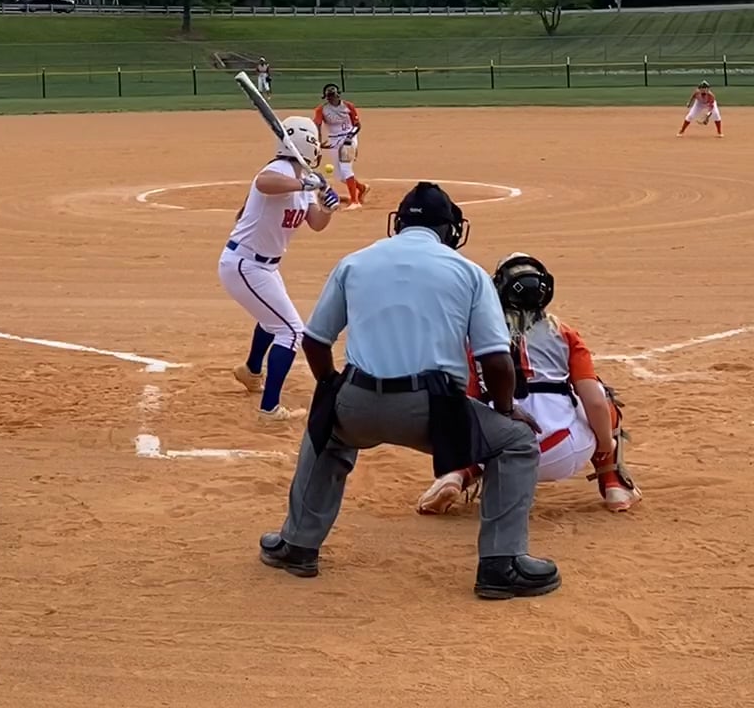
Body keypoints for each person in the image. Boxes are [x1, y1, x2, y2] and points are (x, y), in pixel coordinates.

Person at [257, 182, 559, 600]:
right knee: (516, 442)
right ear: (450, 229)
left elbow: (315, 341)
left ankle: (298, 546)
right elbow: (495, 359)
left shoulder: (355, 262)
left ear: (397, 224)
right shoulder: (468, 272)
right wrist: (505, 410)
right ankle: (500, 565)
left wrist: (330, 387)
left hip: (359, 403)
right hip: (435, 412)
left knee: (325, 428)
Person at [417, 253, 643, 516]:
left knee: (470, 411)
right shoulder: (564, 333)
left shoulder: (476, 336)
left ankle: (456, 473)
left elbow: (467, 405)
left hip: (502, 456)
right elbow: (594, 402)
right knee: (601, 395)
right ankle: (614, 484)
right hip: (564, 451)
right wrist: (606, 444)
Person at [224, 115, 340, 421]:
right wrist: (304, 182)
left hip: (264, 267)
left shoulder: (302, 179)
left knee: (272, 320)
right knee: (291, 331)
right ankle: (270, 409)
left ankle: (251, 371)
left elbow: (316, 223)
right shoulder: (280, 170)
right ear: (309, 145)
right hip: (245, 264)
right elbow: (263, 182)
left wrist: (327, 206)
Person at [314, 83, 370, 207]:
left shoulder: (348, 106)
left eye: (333, 95)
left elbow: (357, 125)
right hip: (334, 140)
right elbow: (317, 125)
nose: (331, 98)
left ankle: (355, 201)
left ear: (338, 95)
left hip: (349, 138)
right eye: (329, 96)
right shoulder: (321, 110)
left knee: (346, 168)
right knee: (340, 176)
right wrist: (319, 141)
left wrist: (349, 137)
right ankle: (362, 188)